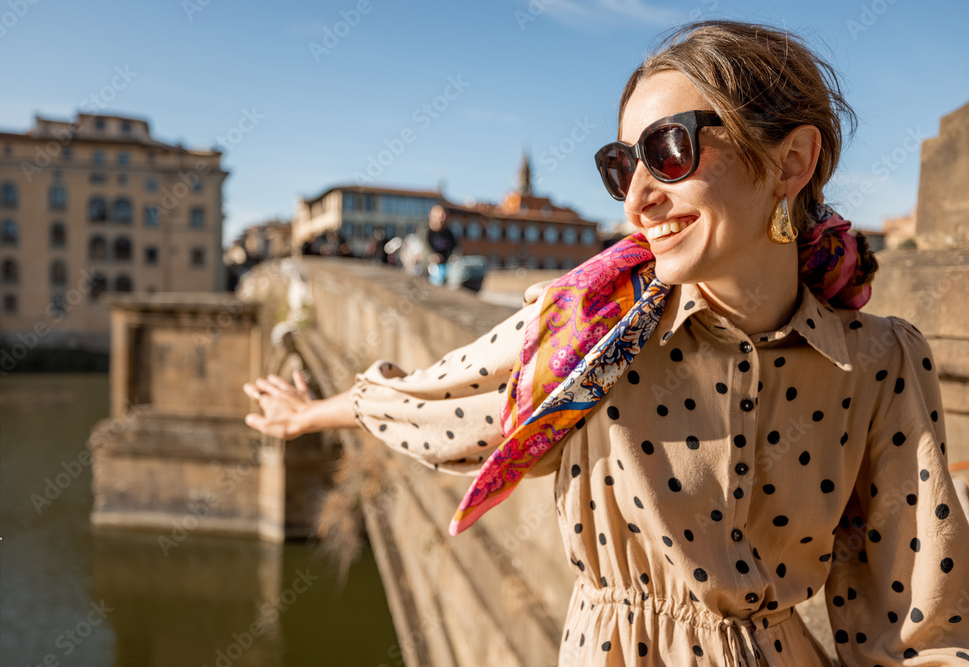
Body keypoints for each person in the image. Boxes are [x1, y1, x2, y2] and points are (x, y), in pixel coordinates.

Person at [244, 20, 969, 666]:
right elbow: (435, 405)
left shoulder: (881, 361)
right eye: (623, 165)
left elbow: (918, 625)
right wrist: (307, 416)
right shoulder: (595, 333)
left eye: (670, 150)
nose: (635, 198)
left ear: (791, 162)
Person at [422, 203, 458, 284]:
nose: (442, 217)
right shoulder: (425, 230)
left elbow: (455, 249)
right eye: (440, 214)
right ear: (431, 215)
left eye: (444, 214)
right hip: (428, 267)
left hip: (446, 267)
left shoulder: (449, 233)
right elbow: (424, 246)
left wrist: (453, 257)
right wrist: (432, 256)